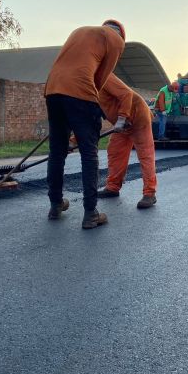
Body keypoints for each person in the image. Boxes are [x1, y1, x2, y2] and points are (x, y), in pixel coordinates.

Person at [44, 20, 125, 229]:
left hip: (53, 89)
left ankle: (55, 205)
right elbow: (101, 78)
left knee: (57, 152)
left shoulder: (80, 31)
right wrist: (93, 107)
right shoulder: (116, 40)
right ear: (121, 35)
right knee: (89, 154)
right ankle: (91, 213)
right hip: (80, 92)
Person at [96, 74, 157, 209]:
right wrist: (74, 140)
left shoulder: (103, 76)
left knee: (145, 155)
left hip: (138, 116)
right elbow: (89, 116)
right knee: (115, 151)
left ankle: (150, 193)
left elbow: (126, 94)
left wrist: (122, 118)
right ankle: (113, 187)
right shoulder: (86, 87)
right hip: (121, 124)